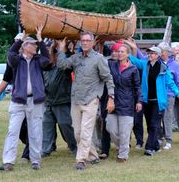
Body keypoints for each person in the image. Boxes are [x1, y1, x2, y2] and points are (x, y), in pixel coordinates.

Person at [57, 31, 115, 170]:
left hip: (91, 100)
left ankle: (81, 160)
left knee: (85, 132)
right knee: (77, 133)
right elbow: (62, 65)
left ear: (93, 42)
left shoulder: (99, 59)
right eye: (82, 40)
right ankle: (93, 156)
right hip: (76, 100)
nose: (85, 43)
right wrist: (61, 49)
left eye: (88, 40)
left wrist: (111, 98)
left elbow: (108, 78)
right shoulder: (76, 58)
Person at [0, 25, 50, 171]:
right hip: (18, 101)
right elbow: (10, 54)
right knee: (12, 131)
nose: (35, 47)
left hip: (36, 101)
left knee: (36, 131)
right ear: (25, 46)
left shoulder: (39, 60)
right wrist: (20, 39)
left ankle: (35, 161)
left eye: (35, 45)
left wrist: (40, 40)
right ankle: (8, 162)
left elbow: (47, 59)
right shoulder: (16, 60)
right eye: (33, 45)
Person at [129, 45, 179, 156]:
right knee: (150, 124)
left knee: (155, 124)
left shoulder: (163, 68)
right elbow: (134, 60)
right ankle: (155, 146)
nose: (150, 55)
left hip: (158, 101)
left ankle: (149, 148)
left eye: (153, 53)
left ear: (158, 55)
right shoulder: (145, 64)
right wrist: (127, 50)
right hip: (146, 100)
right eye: (149, 53)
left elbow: (171, 83)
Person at [107, 44, 142, 163]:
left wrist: (139, 101)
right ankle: (122, 145)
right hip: (113, 102)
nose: (120, 53)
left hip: (127, 102)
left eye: (122, 52)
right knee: (111, 129)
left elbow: (137, 86)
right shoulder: (111, 65)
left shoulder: (133, 69)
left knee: (124, 131)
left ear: (128, 54)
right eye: (118, 51)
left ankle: (123, 155)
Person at [41, 40, 77, 157]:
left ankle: (74, 147)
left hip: (62, 100)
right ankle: (46, 149)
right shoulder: (47, 65)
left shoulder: (65, 65)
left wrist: (64, 49)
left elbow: (72, 60)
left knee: (66, 124)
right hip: (48, 101)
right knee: (46, 126)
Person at [158, 42, 179, 150]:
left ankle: (168, 139)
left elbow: (178, 81)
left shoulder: (174, 65)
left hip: (169, 95)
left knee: (167, 117)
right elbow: (141, 57)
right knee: (157, 117)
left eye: (161, 50)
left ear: (166, 52)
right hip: (158, 94)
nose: (159, 52)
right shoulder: (155, 62)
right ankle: (159, 138)